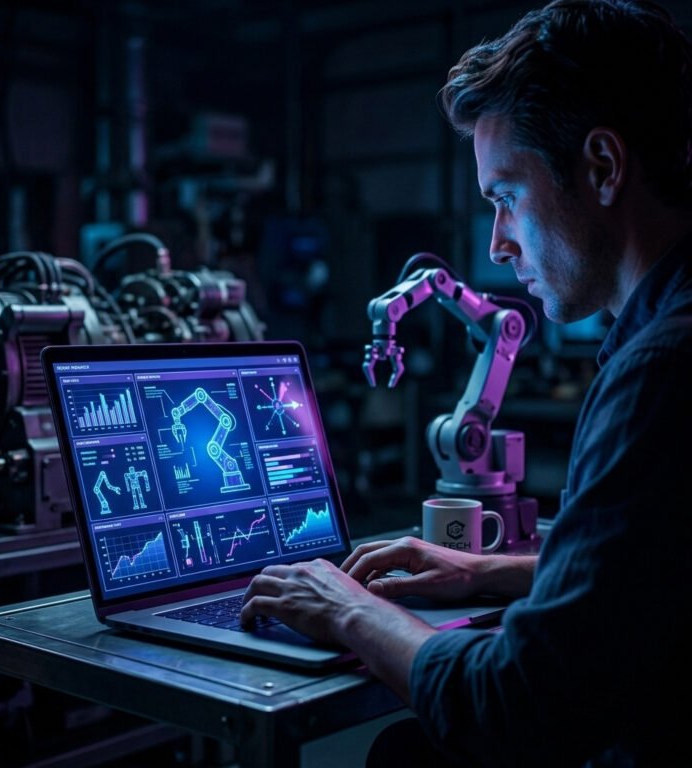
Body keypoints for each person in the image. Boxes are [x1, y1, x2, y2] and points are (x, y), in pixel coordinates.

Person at [240, 0, 692, 765]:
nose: (497, 242)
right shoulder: (660, 332)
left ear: (604, 168)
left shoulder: (660, 371)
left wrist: (346, 610)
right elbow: (655, 566)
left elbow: (517, 708)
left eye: (505, 197)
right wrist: (490, 570)